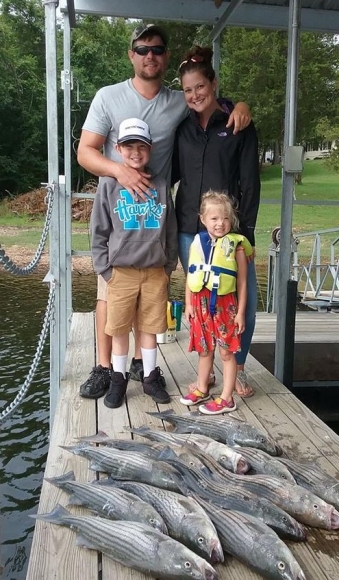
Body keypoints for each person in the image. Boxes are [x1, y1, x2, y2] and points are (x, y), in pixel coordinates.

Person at [77, 23, 252, 400]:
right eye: (141, 49)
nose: (149, 55)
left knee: (152, 306)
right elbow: (85, 151)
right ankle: (106, 369)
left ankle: (148, 367)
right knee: (110, 298)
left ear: (166, 56)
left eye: (156, 49)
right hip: (121, 220)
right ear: (131, 55)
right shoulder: (108, 96)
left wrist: (240, 105)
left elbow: (207, 100)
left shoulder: (177, 100)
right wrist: (119, 170)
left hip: (156, 218)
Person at [172, 45, 261, 398]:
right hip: (189, 233)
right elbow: (171, 174)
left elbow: (250, 183)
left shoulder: (238, 123)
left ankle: (235, 368)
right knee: (202, 303)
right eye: (188, 90)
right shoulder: (182, 129)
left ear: (213, 83)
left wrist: (247, 235)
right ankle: (207, 371)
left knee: (243, 302)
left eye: (200, 87)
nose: (194, 95)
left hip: (231, 233)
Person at [90, 117, 177, 408]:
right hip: (121, 273)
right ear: (118, 148)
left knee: (150, 327)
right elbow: (98, 230)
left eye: (141, 146)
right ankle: (118, 379)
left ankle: (150, 378)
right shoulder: (108, 184)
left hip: (154, 271)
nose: (135, 152)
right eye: (129, 147)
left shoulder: (162, 184)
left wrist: (168, 267)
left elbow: (171, 230)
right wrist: (106, 270)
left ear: (150, 150)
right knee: (118, 329)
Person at [180, 192, 252, 414]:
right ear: (203, 219)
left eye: (225, 219)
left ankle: (227, 398)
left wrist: (240, 313)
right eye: (214, 219)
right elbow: (191, 276)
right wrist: (188, 304)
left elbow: (241, 284)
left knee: (226, 352)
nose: (220, 223)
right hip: (200, 303)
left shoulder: (237, 247)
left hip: (225, 305)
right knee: (204, 349)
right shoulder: (198, 243)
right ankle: (202, 388)